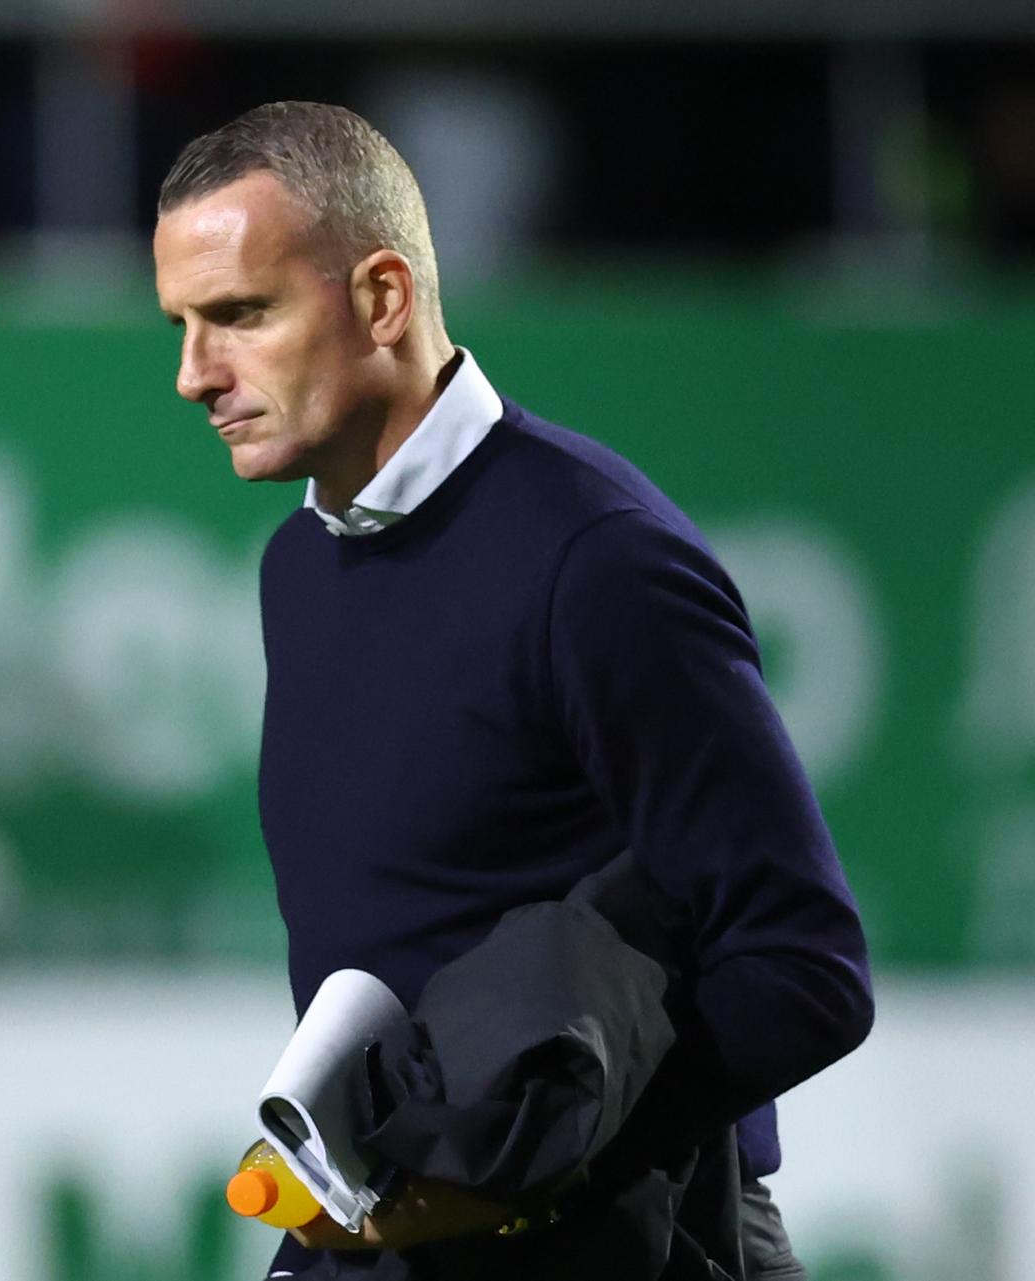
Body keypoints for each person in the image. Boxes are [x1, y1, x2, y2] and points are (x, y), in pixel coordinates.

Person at [152, 102, 874, 1279]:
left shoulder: (595, 561)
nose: (192, 374)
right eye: (181, 325)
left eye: (238, 315)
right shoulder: (300, 562)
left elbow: (805, 968)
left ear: (383, 299)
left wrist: (526, 1183)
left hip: (626, 1242)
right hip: (391, 1241)